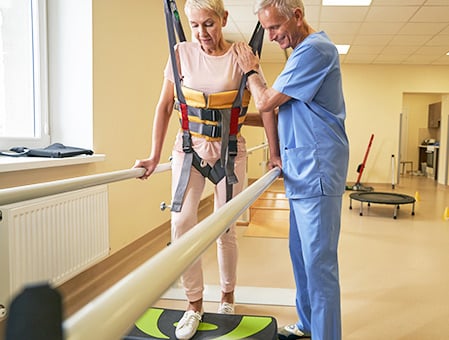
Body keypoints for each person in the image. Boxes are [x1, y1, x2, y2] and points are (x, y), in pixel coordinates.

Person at [134, 0, 281, 339]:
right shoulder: (181, 53)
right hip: (189, 149)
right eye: (196, 25)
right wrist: (154, 156)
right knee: (181, 222)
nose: (202, 33)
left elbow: (267, 108)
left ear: (224, 19)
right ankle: (193, 304)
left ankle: (227, 296)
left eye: (209, 24)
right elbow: (164, 106)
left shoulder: (243, 55)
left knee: (225, 229)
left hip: (230, 151)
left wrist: (274, 153)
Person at [232, 1, 349, 339]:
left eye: (274, 28)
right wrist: (232, 120)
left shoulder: (316, 49)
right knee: (300, 255)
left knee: (319, 264)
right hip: (302, 169)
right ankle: (309, 324)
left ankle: (326, 334)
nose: (270, 37)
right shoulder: (298, 55)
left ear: (297, 16)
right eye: (266, 29)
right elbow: (280, 110)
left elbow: (266, 100)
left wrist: (252, 71)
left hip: (318, 169)